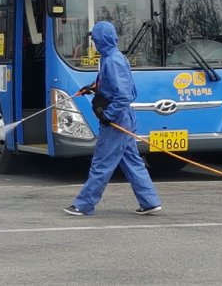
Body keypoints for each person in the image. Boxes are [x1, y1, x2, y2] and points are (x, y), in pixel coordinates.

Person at [64, 21, 162, 216]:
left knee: (102, 162)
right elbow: (112, 84)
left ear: (102, 39)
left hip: (117, 120)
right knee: (132, 161)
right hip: (123, 118)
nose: (94, 42)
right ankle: (149, 201)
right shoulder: (111, 58)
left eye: (95, 39)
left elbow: (125, 95)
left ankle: (84, 205)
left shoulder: (113, 61)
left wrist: (109, 115)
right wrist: (93, 88)